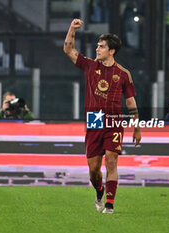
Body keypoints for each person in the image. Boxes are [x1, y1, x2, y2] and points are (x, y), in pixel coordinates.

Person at [63, 19, 141, 214]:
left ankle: (109, 204)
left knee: (112, 160)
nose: (97, 49)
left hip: (114, 121)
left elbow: (130, 101)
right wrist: (72, 28)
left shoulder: (123, 74)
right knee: (93, 170)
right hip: (94, 120)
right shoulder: (90, 66)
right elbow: (68, 50)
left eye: (101, 47)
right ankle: (99, 190)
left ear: (111, 51)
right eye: (97, 46)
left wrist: (137, 126)